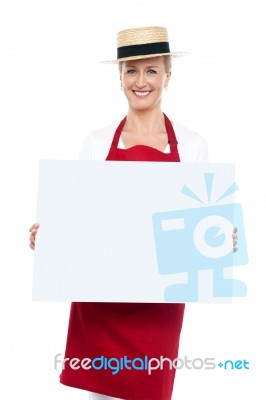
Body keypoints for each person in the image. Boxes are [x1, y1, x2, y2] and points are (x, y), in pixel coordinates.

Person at [29, 26, 237, 400]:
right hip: (100, 308)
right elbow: (83, 224)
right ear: (120, 78)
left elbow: (202, 238)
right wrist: (53, 235)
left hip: (158, 310)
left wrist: (222, 238)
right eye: (131, 71)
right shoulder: (96, 143)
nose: (141, 81)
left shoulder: (191, 146)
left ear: (168, 77)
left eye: (151, 70)